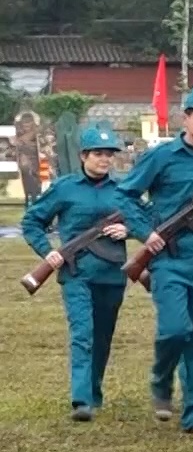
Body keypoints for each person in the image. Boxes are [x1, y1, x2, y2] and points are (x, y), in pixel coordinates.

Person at [118, 86, 193, 433]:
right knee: (175, 329)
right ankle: (161, 376)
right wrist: (144, 231)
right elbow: (124, 194)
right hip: (170, 259)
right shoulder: (162, 156)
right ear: (186, 118)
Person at [23, 125, 131, 421]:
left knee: (103, 335)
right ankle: (81, 400)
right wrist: (48, 251)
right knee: (82, 333)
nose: (104, 160)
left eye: (109, 155)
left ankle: (94, 391)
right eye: (98, 154)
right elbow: (32, 221)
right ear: (83, 155)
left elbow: (146, 217)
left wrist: (129, 229)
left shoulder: (124, 188)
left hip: (112, 273)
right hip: (76, 273)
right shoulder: (64, 187)